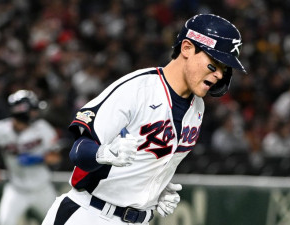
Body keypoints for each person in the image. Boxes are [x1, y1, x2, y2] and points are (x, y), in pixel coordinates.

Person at [42, 14, 246, 225]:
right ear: (186, 48)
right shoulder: (137, 89)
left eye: (225, 69)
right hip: (90, 214)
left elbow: (155, 157)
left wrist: (154, 189)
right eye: (214, 64)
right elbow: (78, 151)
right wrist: (104, 153)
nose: (220, 75)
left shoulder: (198, 108)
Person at [0, 89, 61, 225]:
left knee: (59, 221)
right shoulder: (0, 131)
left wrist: (38, 159)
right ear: (22, 110)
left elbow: (56, 157)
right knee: (5, 222)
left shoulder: (43, 128)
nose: (35, 112)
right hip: (16, 188)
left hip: (42, 188)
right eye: (32, 109)